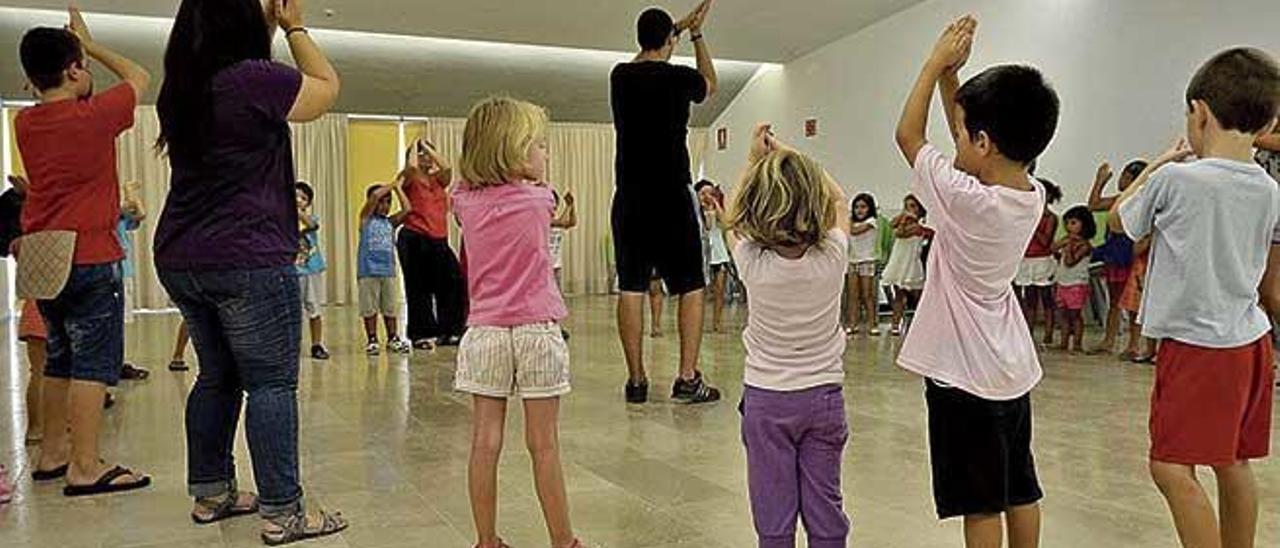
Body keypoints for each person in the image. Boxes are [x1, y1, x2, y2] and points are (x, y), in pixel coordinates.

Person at [153, 0, 346, 543]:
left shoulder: (181, 88)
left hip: (182, 255)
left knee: (217, 376)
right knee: (270, 383)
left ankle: (211, 492)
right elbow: (326, 87)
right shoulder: (252, 79)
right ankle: (284, 510)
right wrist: (293, 25)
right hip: (248, 257)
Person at [894, 16, 1059, 547]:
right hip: (1010, 368)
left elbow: (908, 135)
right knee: (1019, 488)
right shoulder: (1028, 194)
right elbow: (973, 151)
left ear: (983, 141)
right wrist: (953, 83)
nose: (956, 139)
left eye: (963, 132)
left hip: (962, 375)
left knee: (979, 501)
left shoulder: (965, 200)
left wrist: (932, 64)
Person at [1109, 47, 1280, 548]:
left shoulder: (1176, 178)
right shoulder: (1269, 187)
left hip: (1197, 344)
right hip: (1250, 342)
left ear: (1199, 111)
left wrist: (1158, 162)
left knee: (1170, 467)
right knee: (1232, 461)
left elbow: (1121, 219)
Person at [18, 6, 152, 497]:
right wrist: (91, 45)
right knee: (94, 365)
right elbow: (140, 75)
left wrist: (77, 59)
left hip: (44, 260)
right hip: (91, 257)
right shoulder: (94, 116)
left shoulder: (25, 124)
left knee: (58, 358)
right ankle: (85, 465)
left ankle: (52, 452)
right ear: (74, 69)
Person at [450, 96, 583, 548]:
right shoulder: (539, 198)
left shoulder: (464, 203)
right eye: (538, 145)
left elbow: (459, 186)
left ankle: (487, 541)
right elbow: (544, 194)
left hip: (484, 332)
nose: (544, 153)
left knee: (484, 442)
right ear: (514, 151)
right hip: (537, 331)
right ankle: (564, 541)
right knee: (543, 444)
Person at [725, 125, 851, 548]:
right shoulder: (833, 256)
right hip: (823, 397)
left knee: (772, 511)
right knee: (826, 508)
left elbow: (732, 217)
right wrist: (790, 154)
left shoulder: (752, 263)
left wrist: (752, 161)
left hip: (766, 399)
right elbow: (838, 199)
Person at [611, 1, 720, 404]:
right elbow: (711, 83)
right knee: (691, 286)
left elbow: (651, 46)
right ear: (670, 41)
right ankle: (687, 377)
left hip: (630, 198)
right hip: (672, 194)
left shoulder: (619, 77)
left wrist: (673, 28)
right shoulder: (679, 78)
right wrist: (695, 32)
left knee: (632, 286)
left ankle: (637, 380)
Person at [397, 137, 466, 349]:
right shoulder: (408, 177)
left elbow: (447, 167)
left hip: (439, 239)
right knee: (418, 288)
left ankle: (450, 331)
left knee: (453, 283)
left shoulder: (438, 179)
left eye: (429, 153)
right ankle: (421, 335)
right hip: (415, 237)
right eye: (421, 153)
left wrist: (426, 146)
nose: (426, 156)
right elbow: (409, 167)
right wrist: (413, 149)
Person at [1086, 160, 1149, 356]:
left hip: (1131, 254)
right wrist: (1100, 181)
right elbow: (1093, 205)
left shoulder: (1142, 200)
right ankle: (1109, 340)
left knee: (1133, 304)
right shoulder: (1121, 198)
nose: (1121, 179)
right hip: (1115, 252)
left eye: (1126, 176)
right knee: (1114, 300)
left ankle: (1133, 344)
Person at [358, 178, 413, 356]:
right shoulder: (365, 219)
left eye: (388, 202)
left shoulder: (390, 222)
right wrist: (394, 183)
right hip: (368, 271)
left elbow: (407, 209)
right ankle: (372, 339)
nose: (385, 205)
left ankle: (393, 338)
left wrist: (398, 190)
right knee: (369, 308)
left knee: (390, 307)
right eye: (381, 202)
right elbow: (374, 195)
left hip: (388, 271)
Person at [1014, 179, 1060, 347]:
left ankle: (1048, 334)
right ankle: (1029, 331)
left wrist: (1032, 224)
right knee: (1030, 298)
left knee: (1047, 298)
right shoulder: (1027, 215)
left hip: (1042, 261)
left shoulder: (1050, 218)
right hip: (1026, 260)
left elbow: (1045, 241)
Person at [880, 195, 927, 336]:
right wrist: (903, 217)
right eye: (906, 206)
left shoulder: (922, 225)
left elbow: (902, 233)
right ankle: (895, 324)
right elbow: (893, 226)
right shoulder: (902, 221)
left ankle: (922, 323)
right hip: (899, 263)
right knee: (899, 295)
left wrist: (905, 220)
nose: (909, 210)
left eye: (913, 206)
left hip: (912, 263)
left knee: (918, 295)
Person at [1052, 206, 1096, 354]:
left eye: (1073, 223)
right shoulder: (1067, 241)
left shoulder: (1085, 245)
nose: (1068, 227)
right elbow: (1052, 249)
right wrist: (1062, 246)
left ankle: (1077, 343)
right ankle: (1063, 342)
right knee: (1063, 313)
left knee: (1075, 315)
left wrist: (1069, 245)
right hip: (1063, 281)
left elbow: (1071, 262)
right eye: (1067, 223)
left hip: (1076, 284)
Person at [295, 181, 330, 360]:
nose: (299, 200)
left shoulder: (311, 219)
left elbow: (311, 225)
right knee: (291, 311)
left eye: (303, 198)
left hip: (311, 270)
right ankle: (290, 346)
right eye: (295, 196)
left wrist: (298, 211)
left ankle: (317, 344)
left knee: (314, 307)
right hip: (292, 271)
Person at [118, 181, 149, 380]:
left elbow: (140, 214)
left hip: (122, 271)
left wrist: (129, 192)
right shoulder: (105, 210)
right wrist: (128, 193)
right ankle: (112, 365)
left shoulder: (118, 214)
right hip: (110, 271)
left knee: (117, 324)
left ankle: (117, 364)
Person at [696, 180, 732, 333]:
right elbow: (707, 227)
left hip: (719, 253)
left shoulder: (717, 209)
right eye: (703, 193)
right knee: (700, 291)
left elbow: (726, 224)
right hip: (701, 253)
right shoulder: (695, 212)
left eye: (710, 193)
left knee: (719, 290)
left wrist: (715, 206)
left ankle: (717, 322)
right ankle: (697, 322)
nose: (706, 196)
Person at [846, 193, 880, 336]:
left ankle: (873, 324)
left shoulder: (872, 221)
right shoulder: (850, 222)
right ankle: (853, 324)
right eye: (856, 207)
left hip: (867, 261)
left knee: (868, 295)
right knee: (853, 295)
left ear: (869, 208)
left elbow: (853, 232)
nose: (859, 210)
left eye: (863, 207)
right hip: (852, 261)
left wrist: (844, 218)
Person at [551, 188, 577, 340]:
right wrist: (568, 206)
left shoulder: (557, 217)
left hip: (556, 266)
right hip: (543, 267)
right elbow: (561, 222)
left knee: (557, 297)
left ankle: (556, 326)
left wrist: (572, 206)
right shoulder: (541, 217)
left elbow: (571, 222)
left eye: (555, 204)